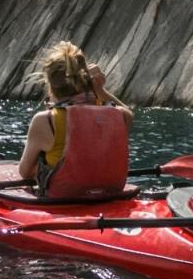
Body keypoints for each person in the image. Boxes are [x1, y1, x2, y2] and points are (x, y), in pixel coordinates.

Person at [16, 42, 133, 197]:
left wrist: (47, 168)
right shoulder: (120, 116)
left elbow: (24, 172)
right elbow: (129, 114)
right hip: (110, 194)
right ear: (86, 82)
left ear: (51, 86)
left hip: (64, 198)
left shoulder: (46, 120)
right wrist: (99, 90)